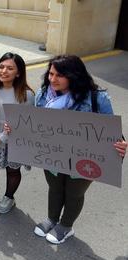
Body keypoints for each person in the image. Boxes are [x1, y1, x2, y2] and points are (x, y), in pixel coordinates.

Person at [30, 55, 127, 244]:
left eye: (59, 75)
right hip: (52, 156)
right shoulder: (43, 94)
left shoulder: (97, 98)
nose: (52, 79)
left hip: (84, 159)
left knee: (74, 193)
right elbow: (33, 124)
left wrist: (121, 144)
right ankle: (52, 219)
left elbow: (111, 132)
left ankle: (66, 226)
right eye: (50, 73)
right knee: (55, 188)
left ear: (74, 76)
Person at [0, 52, 34, 214]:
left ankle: (9, 197)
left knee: (13, 170)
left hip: (14, 137)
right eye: (1, 67)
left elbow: (24, 124)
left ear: (18, 73)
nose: (4, 71)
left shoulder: (27, 95)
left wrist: (1, 138)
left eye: (10, 68)